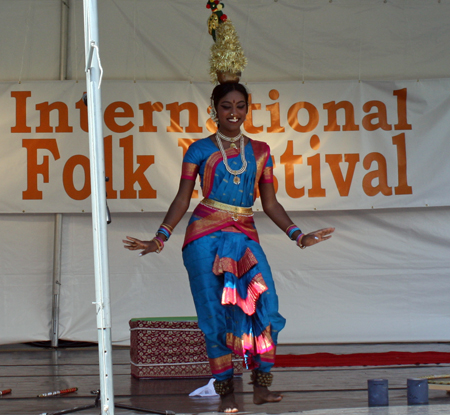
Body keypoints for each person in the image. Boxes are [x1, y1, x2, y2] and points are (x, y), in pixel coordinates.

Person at [123, 82, 334, 413]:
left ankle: (261, 386)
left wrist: (299, 235)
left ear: (248, 109)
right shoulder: (199, 150)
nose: (233, 113)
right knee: (214, 313)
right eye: (226, 106)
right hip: (204, 236)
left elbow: (270, 203)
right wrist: (160, 238)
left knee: (266, 305)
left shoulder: (261, 151)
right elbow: (182, 198)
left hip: (244, 234)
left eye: (239, 106)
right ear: (214, 109)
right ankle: (226, 395)